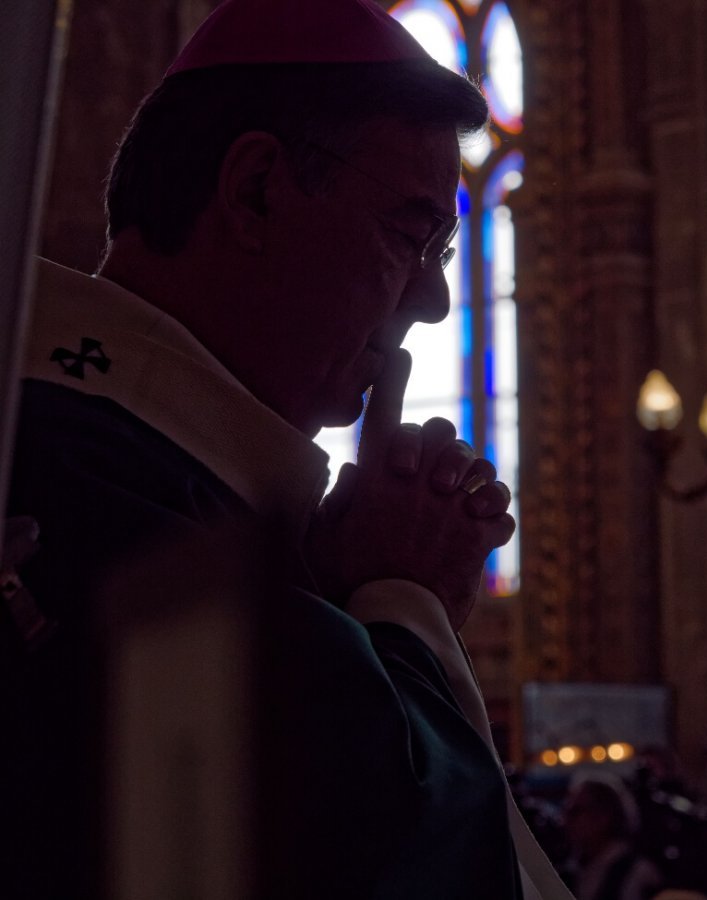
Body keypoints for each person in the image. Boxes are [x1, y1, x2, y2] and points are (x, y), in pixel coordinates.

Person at [0, 0, 571, 897]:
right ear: (257, 189)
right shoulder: (101, 490)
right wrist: (401, 599)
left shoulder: (99, 442)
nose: (433, 302)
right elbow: (419, 857)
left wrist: (325, 586)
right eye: (410, 235)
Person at [562, 774, 664, 900]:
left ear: (603, 817)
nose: (565, 820)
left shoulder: (637, 873)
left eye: (575, 812)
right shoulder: (571, 870)